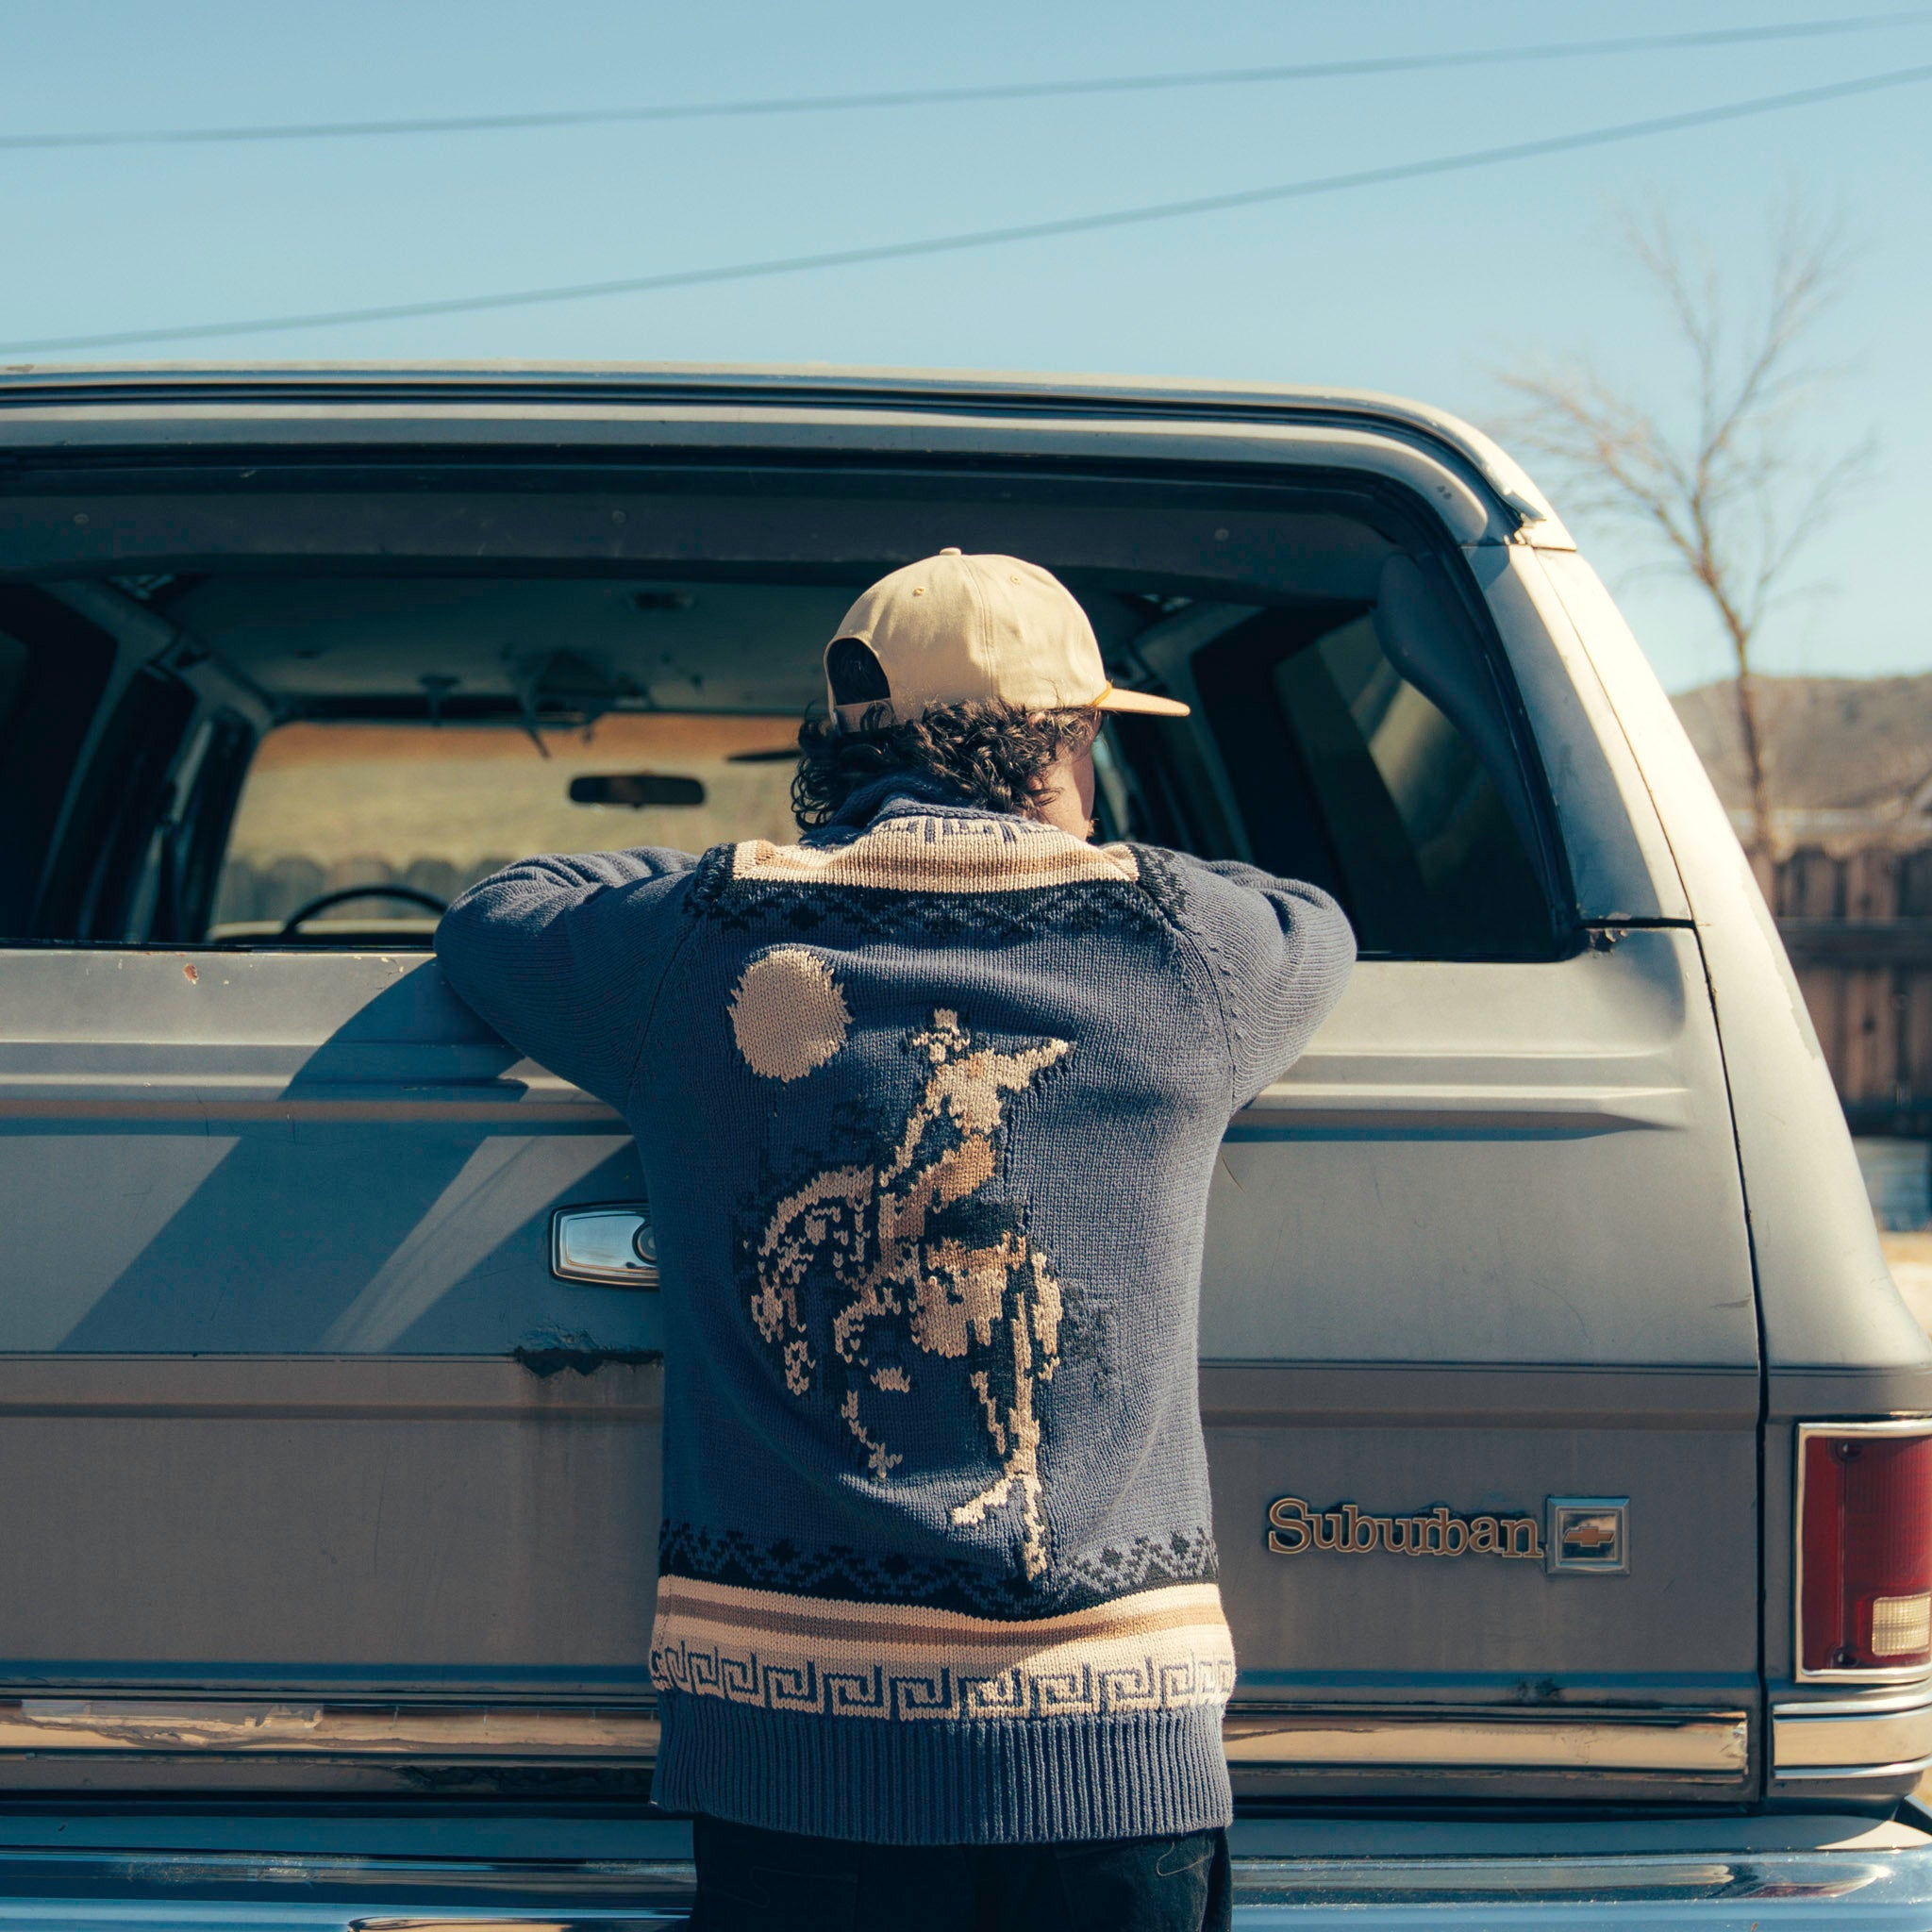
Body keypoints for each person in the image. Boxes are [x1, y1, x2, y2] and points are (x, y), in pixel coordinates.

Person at [435, 550, 1356, 1931]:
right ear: (1065, 742)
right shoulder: (1184, 944)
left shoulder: (708, 942)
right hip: (1110, 1761)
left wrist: (725, 873)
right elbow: (1314, 916)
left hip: (797, 1768)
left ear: (840, 750)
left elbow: (498, 914)